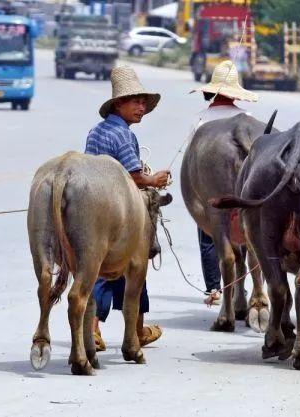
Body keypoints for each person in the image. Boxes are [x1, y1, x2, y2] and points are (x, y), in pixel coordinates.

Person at [85, 65, 170, 351]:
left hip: (93, 209)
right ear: (119, 103)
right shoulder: (124, 135)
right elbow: (133, 177)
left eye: (143, 102)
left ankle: (96, 329)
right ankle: (135, 331)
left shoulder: (96, 131)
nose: (141, 107)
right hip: (120, 213)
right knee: (136, 263)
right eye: (136, 101)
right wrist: (154, 179)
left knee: (96, 268)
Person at [190, 60, 258, 305]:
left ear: (211, 91)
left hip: (211, 181)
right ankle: (246, 291)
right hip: (247, 180)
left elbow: (192, 159)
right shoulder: (248, 118)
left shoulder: (201, 120)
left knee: (210, 232)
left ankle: (214, 288)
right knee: (252, 230)